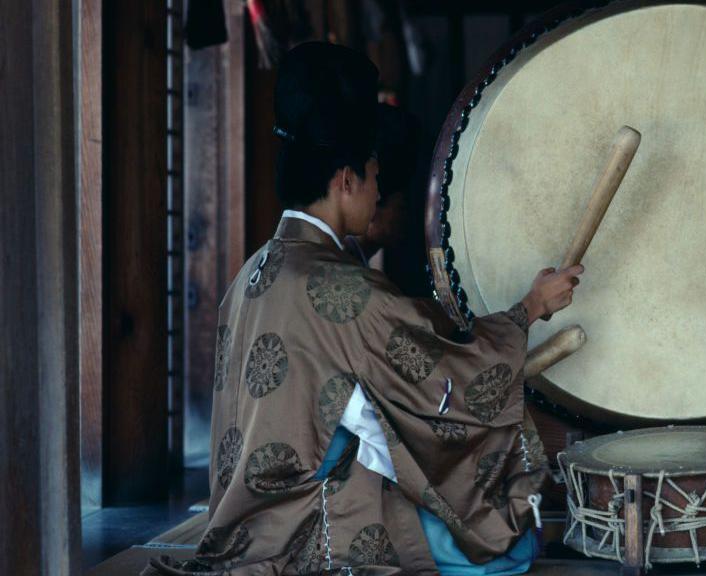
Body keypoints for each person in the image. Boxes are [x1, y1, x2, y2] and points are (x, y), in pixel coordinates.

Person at [144, 42, 583, 575]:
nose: (378, 196)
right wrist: (529, 310)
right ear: (345, 180)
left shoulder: (254, 272)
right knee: (502, 551)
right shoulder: (338, 289)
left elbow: (389, 353)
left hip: (247, 524)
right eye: (374, 178)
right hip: (313, 524)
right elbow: (446, 379)